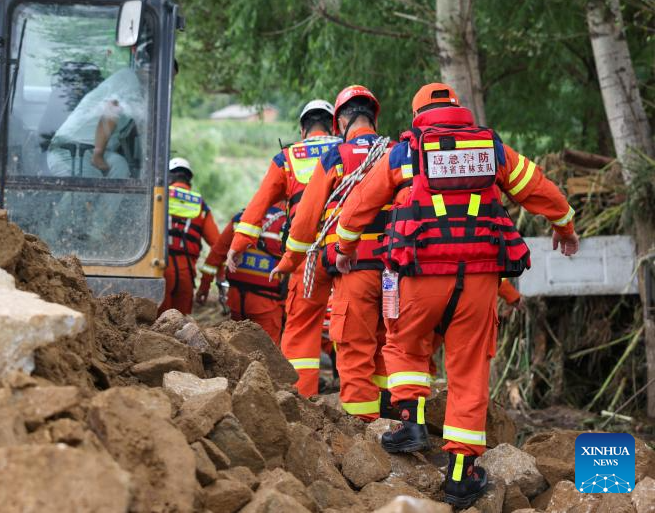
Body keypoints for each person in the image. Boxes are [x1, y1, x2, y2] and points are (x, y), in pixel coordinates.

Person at [331, 83, 578, 508]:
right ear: (459, 110)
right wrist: (565, 227)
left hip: (419, 276)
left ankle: (410, 423)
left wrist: (345, 247)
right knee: (469, 371)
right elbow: (537, 187)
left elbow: (359, 206)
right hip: (479, 281)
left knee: (404, 344)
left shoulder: (404, 152)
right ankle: (462, 476)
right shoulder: (492, 149)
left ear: (417, 116)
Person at [274, 85, 393, 420]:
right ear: (374, 117)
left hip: (354, 266)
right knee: (392, 344)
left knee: (354, 346)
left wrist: (288, 262)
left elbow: (305, 221)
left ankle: (362, 425)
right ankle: (396, 419)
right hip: (397, 271)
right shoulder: (398, 152)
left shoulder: (336, 157)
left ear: (340, 121)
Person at [226, 100, 341, 396]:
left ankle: (301, 399)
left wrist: (238, 244)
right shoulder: (349, 150)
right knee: (355, 324)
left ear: (302, 130)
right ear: (334, 126)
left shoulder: (288, 158)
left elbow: (259, 204)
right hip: (349, 252)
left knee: (301, 328)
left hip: (306, 255)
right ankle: (364, 405)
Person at [47, 39, 152, 178]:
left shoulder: (140, 91)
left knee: (120, 166)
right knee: (89, 186)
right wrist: (98, 154)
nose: (169, 83)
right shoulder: (129, 80)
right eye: (168, 77)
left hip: (93, 150)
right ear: (148, 67)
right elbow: (110, 111)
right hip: (71, 150)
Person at [198, 204, 287, 344]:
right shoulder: (287, 223)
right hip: (267, 306)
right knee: (269, 352)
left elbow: (216, 254)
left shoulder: (241, 218)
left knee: (237, 348)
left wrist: (204, 287)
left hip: (236, 303)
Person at [162, 158, 220, 315]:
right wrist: (207, 283)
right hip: (186, 273)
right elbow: (217, 245)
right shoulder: (200, 204)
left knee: (157, 324)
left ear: (168, 176)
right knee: (181, 325)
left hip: (160, 269)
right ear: (188, 180)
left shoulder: (159, 197)